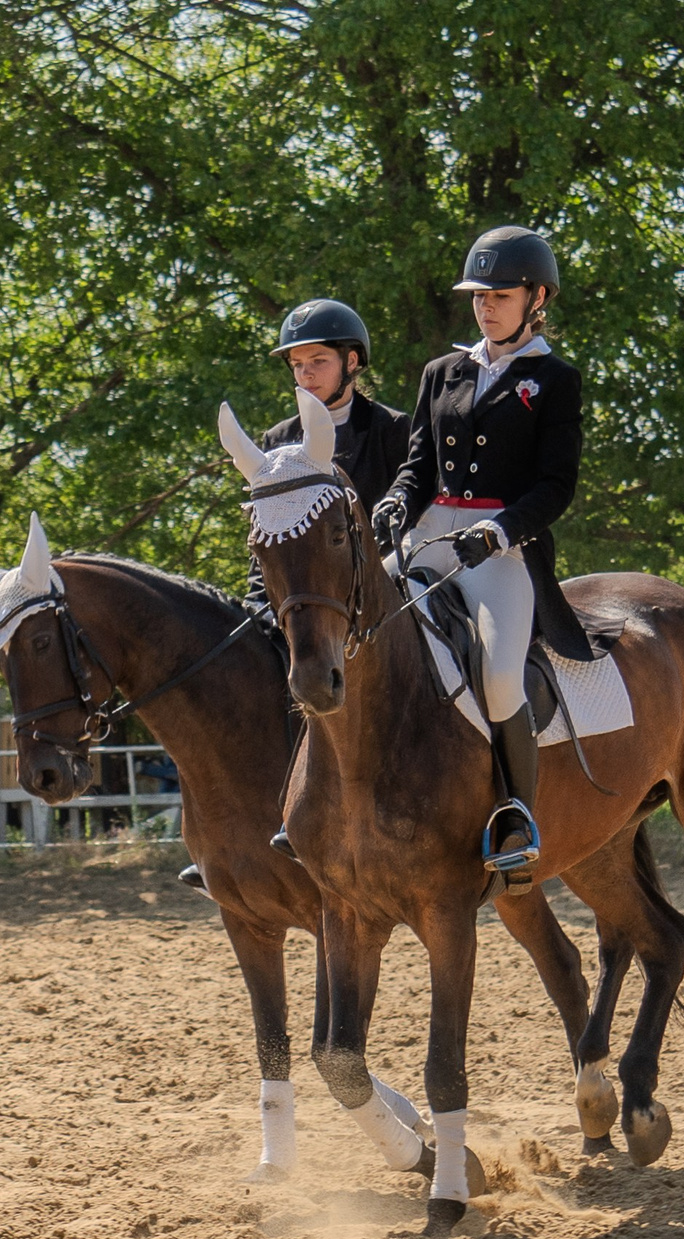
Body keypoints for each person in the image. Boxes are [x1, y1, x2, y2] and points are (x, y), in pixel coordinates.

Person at [370, 226, 587, 887]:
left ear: (537, 297)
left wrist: (498, 530)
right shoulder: (443, 372)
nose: (485, 306)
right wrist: (394, 506)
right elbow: (417, 467)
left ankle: (516, 817)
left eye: (500, 294)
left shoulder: (554, 380)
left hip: (503, 549)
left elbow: (556, 485)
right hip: (431, 532)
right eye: (478, 295)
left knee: (498, 674)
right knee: (350, 630)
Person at [244, 299, 410, 615]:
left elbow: (412, 519)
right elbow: (267, 531)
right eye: (297, 364)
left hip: (380, 594)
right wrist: (255, 603)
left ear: (350, 361)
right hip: (300, 601)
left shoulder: (391, 428)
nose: (306, 374)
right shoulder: (278, 440)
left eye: (319, 360)